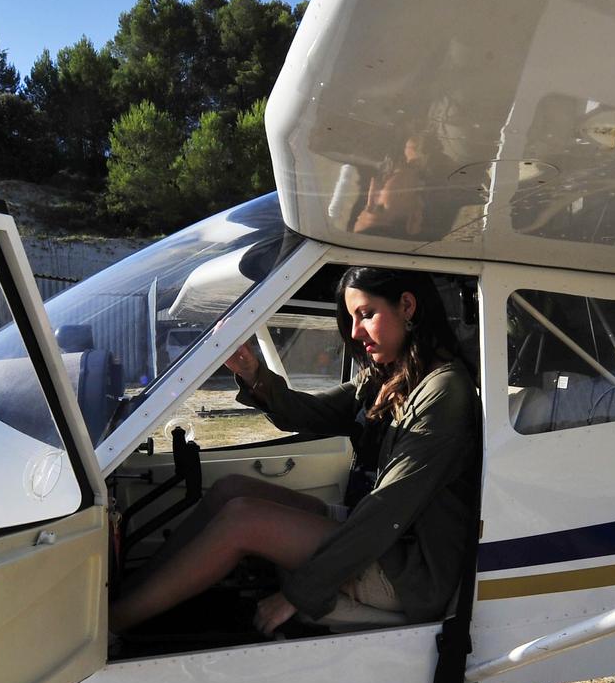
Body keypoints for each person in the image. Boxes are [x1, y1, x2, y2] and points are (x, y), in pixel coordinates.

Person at [109, 267, 478, 637]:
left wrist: (298, 594)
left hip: (408, 567)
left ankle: (110, 627)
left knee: (244, 519)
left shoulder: (444, 391)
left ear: (407, 306)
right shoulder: (389, 378)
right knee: (231, 490)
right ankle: (131, 594)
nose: (354, 332)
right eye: (351, 319)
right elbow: (313, 413)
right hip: (376, 534)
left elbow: (387, 511)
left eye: (366, 315)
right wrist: (253, 373)